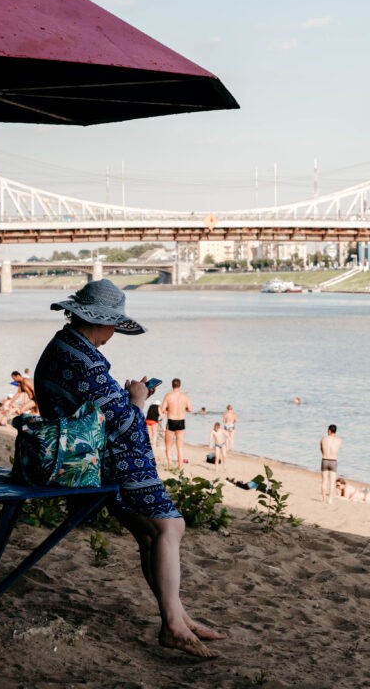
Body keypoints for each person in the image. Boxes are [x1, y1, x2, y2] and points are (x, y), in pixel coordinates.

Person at [33, 279, 223, 657]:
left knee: (151, 535)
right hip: (105, 461)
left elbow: (96, 409)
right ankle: (172, 623)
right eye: (114, 326)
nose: (114, 333)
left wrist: (122, 399)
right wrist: (136, 399)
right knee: (170, 525)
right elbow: (124, 424)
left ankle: (179, 617)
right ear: (101, 322)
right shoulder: (82, 359)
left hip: (81, 456)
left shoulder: (66, 348)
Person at [162, 378, 193, 470]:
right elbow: (190, 409)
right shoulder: (184, 396)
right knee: (180, 446)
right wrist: (184, 409)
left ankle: (170, 465)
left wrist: (168, 410)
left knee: (168, 445)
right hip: (181, 421)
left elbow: (162, 409)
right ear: (180, 385)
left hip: (171, 420)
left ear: (172, 385)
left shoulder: (168, 396)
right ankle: (180, 466)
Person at [320, 424, 342, 503]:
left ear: (329, 430)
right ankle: (330, 499)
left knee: (324, 481)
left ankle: (323, 499)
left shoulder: (323, 439)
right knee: (332, 482)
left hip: (325, 460)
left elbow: (321, 449)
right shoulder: (339, 440)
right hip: (333, 461)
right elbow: (337, 449)